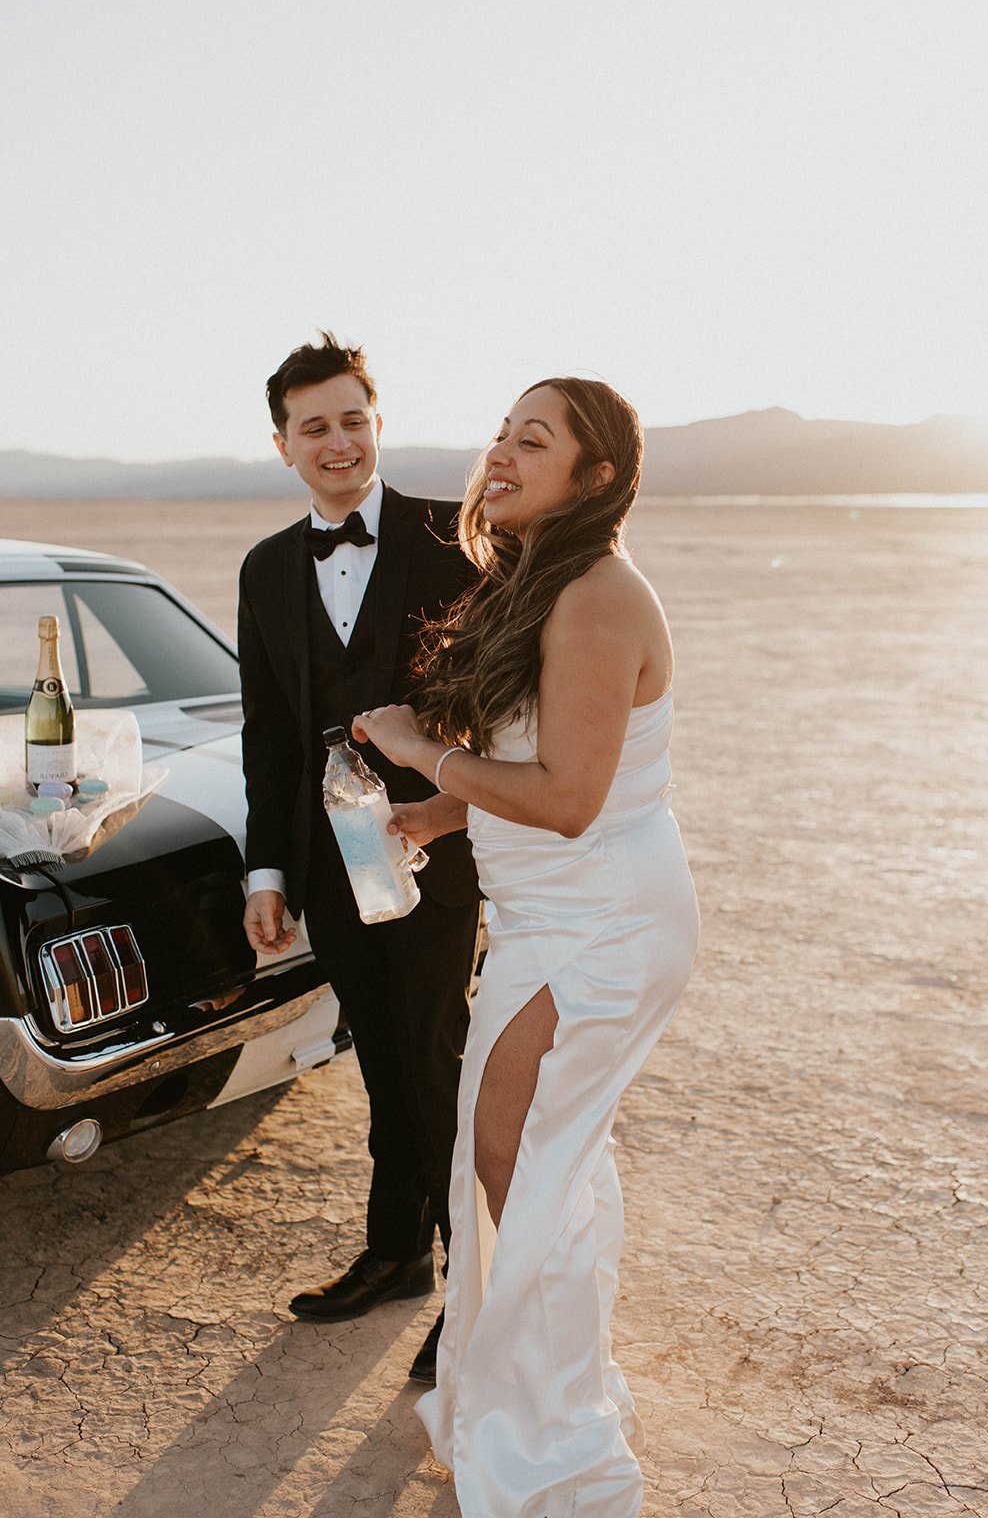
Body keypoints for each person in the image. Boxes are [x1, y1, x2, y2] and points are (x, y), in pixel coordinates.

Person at [352, 377, 700, 1517]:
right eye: (503, 432)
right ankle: (556, 1394)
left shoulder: (597, 597)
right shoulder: (542, 580)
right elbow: (539, 764)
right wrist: (436, 816)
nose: (500, 452)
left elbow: (571, 798)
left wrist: (422, 755)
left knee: (518, 1164)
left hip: (598, 925)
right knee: (539, 1162)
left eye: (532, 441)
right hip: (559, 918)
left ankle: (560, 1453)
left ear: (593, 478)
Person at [237, 332, 481, 1383]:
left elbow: (501, 707)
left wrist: (450, 809)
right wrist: (266, 872)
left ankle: (476, 1288)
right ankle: (396, 1255)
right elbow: (267, 735)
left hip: (435, 848)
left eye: (351, 418)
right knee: (379, 1055)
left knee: (434, 1058)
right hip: (327, 869)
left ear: (377, 420)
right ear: (283, 444)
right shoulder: (262, 569)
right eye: (312, 427)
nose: (335, 441)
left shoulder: (454, 538)